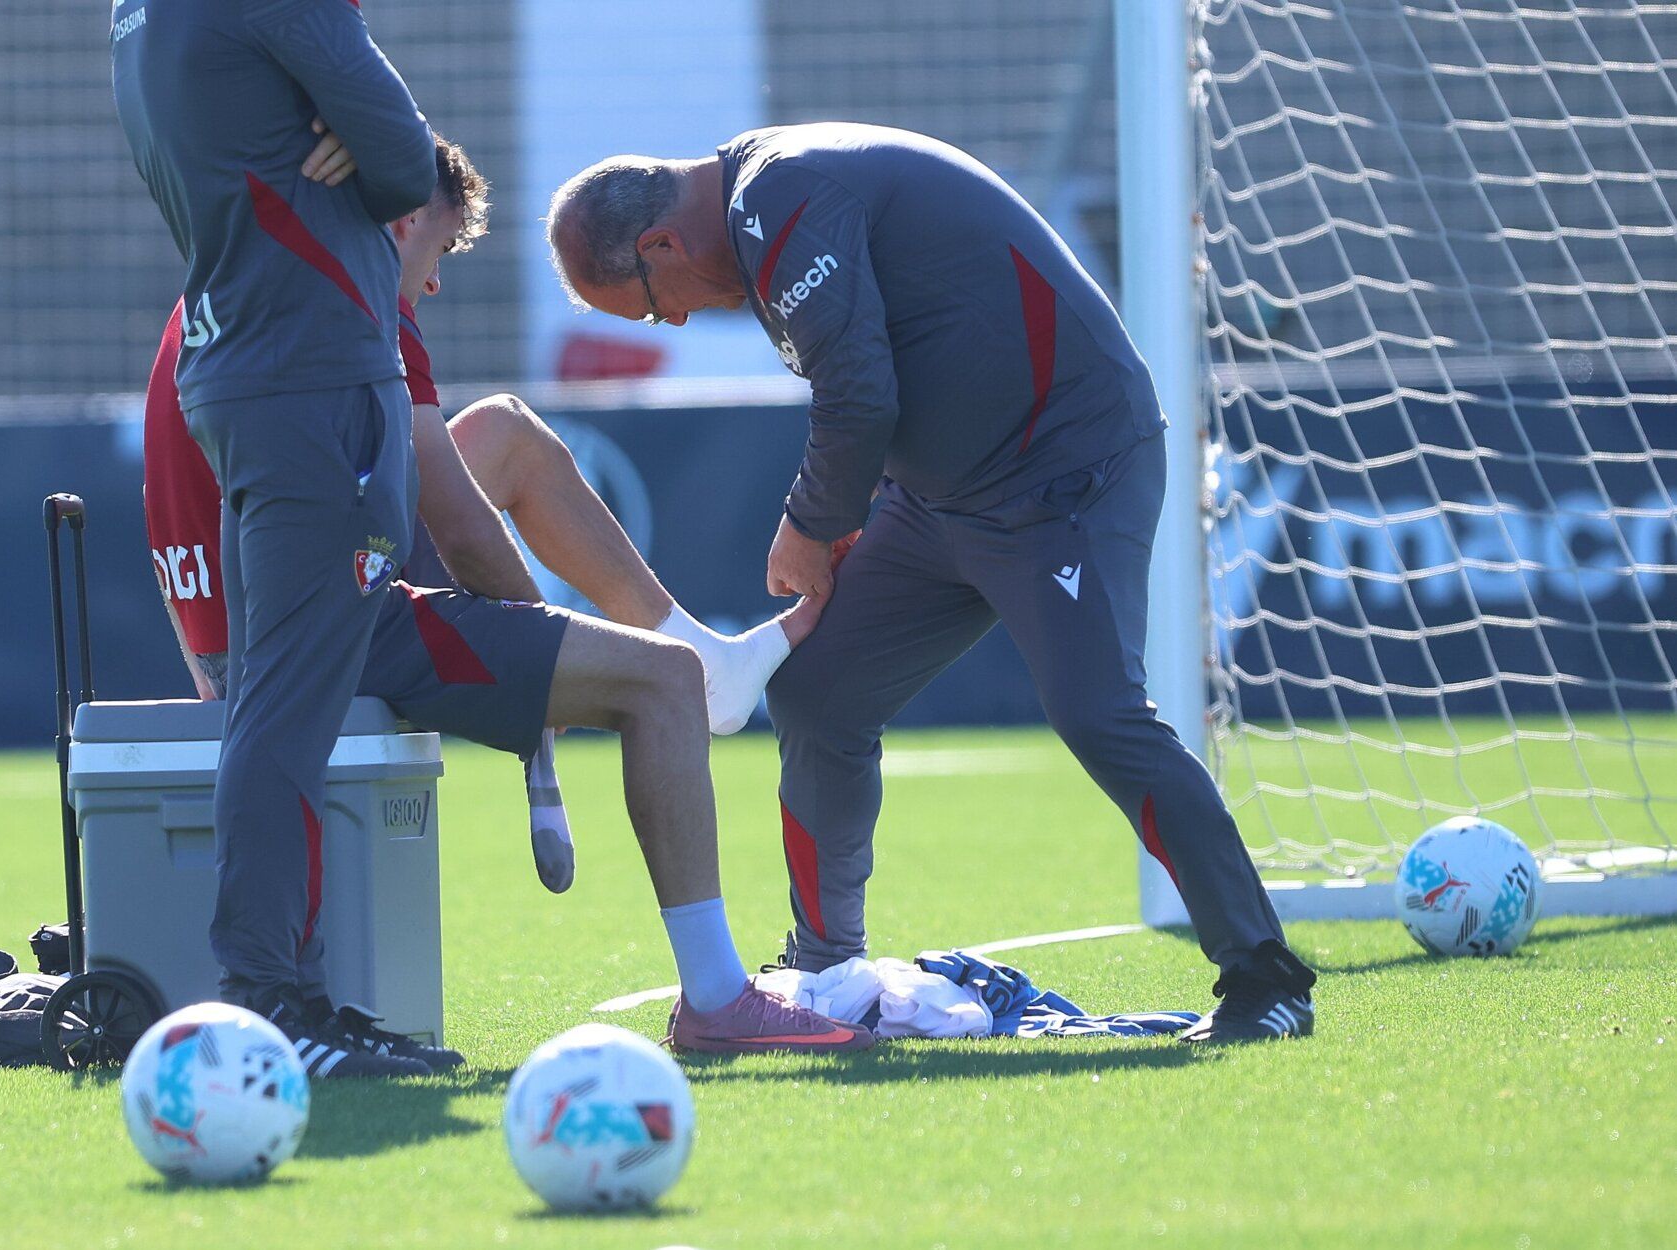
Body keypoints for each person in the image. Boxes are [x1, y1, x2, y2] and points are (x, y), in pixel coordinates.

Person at [114, 0, 867, 1074]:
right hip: (330, 600)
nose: (429, 277)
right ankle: (285, 995)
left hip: (281, 579)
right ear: (403, 220)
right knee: (636, 674)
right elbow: (459, 518)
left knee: (509, 451)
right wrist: (536, 676)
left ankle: (692, 660)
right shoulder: (349, 295)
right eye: (434, 247)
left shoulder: (222, 274)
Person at [546, 122, 1318, 1043]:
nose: (671, 321)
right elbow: (914, 344)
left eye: (650, 304)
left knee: (1100, 713)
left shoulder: (779, 192)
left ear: (660, 244)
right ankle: (826, 964)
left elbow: (862, 388)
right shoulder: (765, 207)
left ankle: (1267, 980)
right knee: (819, 693)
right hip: (943, 496)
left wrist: (811, 524)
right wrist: (860, 501)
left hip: (1064, 473)